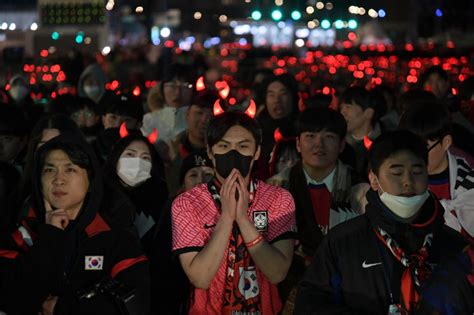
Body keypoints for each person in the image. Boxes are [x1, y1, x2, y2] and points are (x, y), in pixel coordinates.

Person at [294, 130, 467, 314]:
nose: (408, 181)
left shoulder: (453, 246)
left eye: (417, 172)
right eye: (396, 173)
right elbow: (310, 304)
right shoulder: (343, 242)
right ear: (374, 180)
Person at [0, 133, 150, 314]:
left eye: (70, 169)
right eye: (49, 170)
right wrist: (50, 236)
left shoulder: (116, 238)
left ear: (90, 179)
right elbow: (13, 300)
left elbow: (137, 304)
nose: (58, 179)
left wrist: (62, 308)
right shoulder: (20, 236)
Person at [172, 111, 297, 314]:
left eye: (243, 146)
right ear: (210, 152)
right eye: (224, 146)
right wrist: (227, 217)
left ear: (256, 152)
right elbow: (200, 278)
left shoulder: (278, 199)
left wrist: (242, 219)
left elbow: (277, 273)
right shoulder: (187, 203)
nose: (233, 153)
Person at [267, 108, 364, 312]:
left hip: (346, 292)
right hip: (288, 291)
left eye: (328, 137)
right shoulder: (275, 189)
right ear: (298, 144)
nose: (318, 145)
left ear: (341, 145)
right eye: (310, 136)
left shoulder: (361, 192)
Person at [399, 102, 474, 240]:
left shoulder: (468, 180)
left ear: (446, 142)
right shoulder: (397, 182)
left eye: (422, 148)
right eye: (408, 148)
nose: (414, 157)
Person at [165, 90, 215, 195]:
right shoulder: (166, 152)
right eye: (199, 113)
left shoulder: (223, 157)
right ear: (187, 114)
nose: (204, 120)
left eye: (211, 115)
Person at [141, 63, 195, 142]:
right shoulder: (149, 121)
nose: (178, 92)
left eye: (185, 87)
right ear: (162, 89)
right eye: (172, 86)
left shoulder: (197, 123)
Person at [340, 86, 387, 176]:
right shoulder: (339, 143)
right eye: (341, 108)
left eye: (348, 107)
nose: (342, 112)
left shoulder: (385, 142)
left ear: (368, 113)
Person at [256, 74, 299, 164]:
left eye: (283, 94)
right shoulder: (257, 131)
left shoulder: (301, 129)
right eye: (271, 95)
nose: (277, 100)